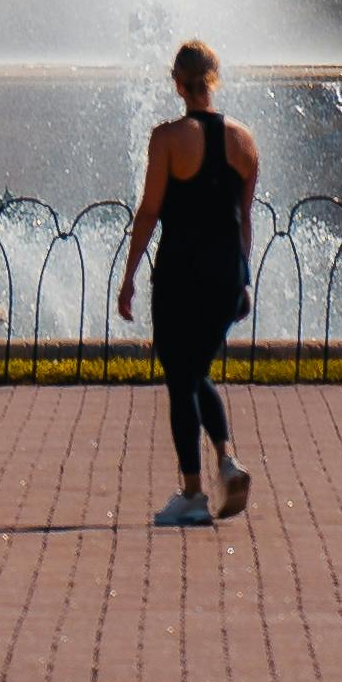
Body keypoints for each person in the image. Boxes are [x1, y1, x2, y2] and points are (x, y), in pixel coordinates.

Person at [116, 38, 256, 525]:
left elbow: (151, 211)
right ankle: (226, 460)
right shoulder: (244, 142)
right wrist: (244, 279)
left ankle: (194, 493)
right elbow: (244, 221)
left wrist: (130, 275)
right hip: (225, 275)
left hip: (181, 273)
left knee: (181, 378)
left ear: (177, 84)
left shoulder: (168, 140)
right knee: (195, 371)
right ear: (213, 80)